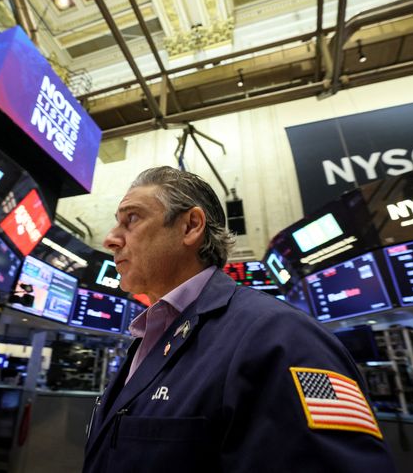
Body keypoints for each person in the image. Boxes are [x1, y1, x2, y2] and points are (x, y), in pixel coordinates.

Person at [83, 167, 395, 473]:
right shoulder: (149, 336)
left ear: (190, 226)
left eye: (132, 219)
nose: (110, 239)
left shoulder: (283, 336)